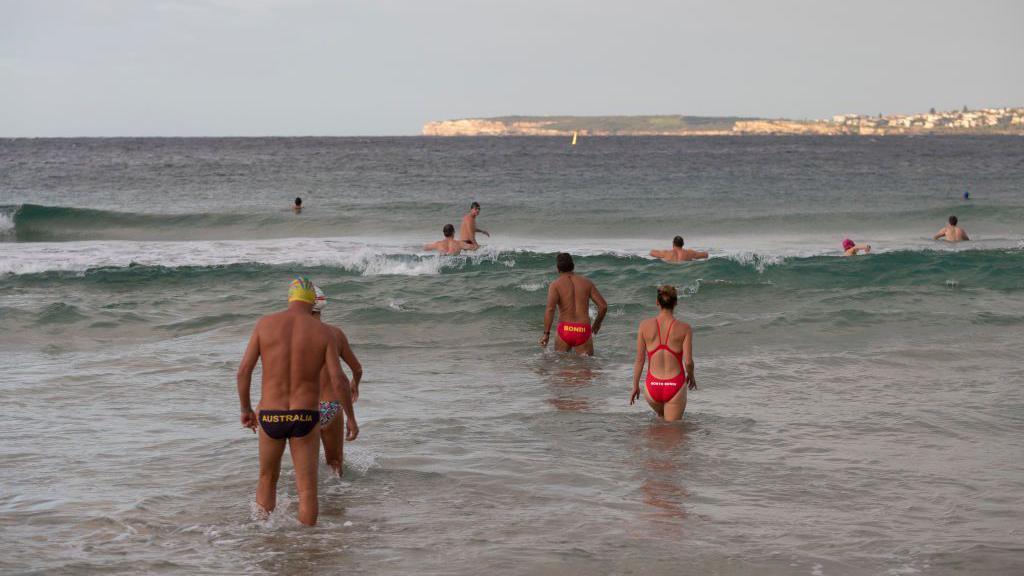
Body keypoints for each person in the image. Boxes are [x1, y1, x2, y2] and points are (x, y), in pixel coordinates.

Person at [236, 277, 358, 525]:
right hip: (305, 416)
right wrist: (351, 418)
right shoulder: (323, 332)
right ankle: (308, 548)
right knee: (307, 490)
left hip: (271, 415)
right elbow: (338, 379)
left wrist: (246, 409)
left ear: (290, 297)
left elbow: (243, 371)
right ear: (313, 300)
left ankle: (263, 537)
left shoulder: (265, 324)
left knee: (267, 479)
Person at [311, 285, 363, 477]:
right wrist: (354, 385)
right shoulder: (335, 333)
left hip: (303, 407)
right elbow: (357, 368)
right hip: (331, 406)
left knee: (305, 465)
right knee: (334, 462)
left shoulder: (294, 336)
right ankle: (336, 501)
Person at [630, 285, 696, 421]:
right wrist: (691, 376)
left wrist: (635, 385)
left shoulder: (644, 326)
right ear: (676, 303)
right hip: (674, 386)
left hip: (652, 387)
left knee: (659, 429)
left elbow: (639, 360)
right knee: (673, 434)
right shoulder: (685, 328)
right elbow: (688, 362)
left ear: (657, 302)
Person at [540, 253, 608, 356]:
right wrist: (597, 324)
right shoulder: (587, 283)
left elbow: (550, 310)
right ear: (573, 266)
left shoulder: (555, 285)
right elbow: (603, 306)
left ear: (558, 268)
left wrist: (546, 334)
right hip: (583, 329)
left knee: (560, 367)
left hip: (565, 329)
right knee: (586, 369)